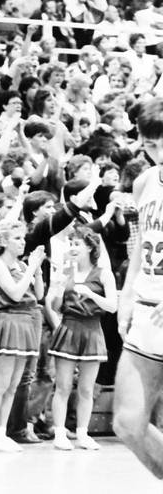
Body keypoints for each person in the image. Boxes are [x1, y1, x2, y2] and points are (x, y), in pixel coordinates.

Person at [113, 98, 163, 479]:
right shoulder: (145, 181)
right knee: (128, 423)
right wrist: (126, 295)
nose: (159, 152)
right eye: (151, 145)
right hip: (147, 308)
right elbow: (141, 242)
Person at [46, 226, 116, 451]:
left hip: (93, 330)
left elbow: (113, 307)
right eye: (71, 244)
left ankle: (83, 433)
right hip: (68, 328)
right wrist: (56, 292)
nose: (73, 248)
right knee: (63, 386)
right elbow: (56, 308)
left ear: (89, 247)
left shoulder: (103, 273)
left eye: (77, 244)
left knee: (86, 388)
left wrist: (92, 294)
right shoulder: (65, 272)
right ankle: (59, 432)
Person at [0, 221, 45, 453]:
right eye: (17, 238)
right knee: (0, 383)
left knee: (13, 385)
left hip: (27, 321)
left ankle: (1, 431)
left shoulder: (20, 264)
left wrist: (36, 269)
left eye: (23, 238)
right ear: (3, 241)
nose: (23, 242)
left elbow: (39, 294)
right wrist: (31, 268)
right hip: (10, 321)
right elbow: (15, 294)